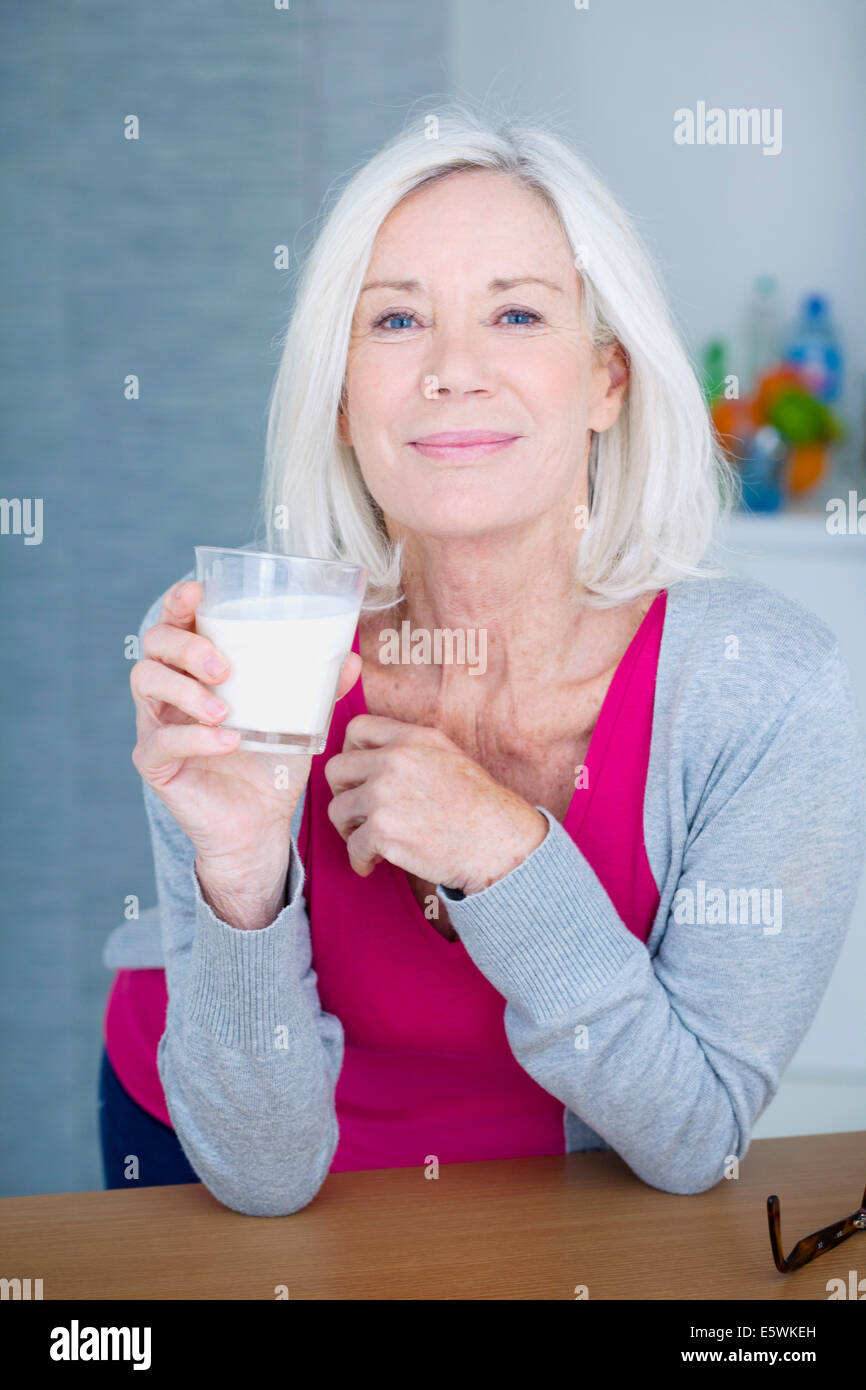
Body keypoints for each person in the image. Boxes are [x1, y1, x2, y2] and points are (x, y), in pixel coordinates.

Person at [101, 101, 866, 1215]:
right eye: (396, 323)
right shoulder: (237, 658)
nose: (453, 369)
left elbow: (693, 1135)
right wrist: (240, 870)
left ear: (607, 379)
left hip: (541, 1195)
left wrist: (505, 856)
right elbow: (258, 1178)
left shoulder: (765, 685)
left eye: (514, 314)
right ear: (338, 399)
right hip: (207, 1146)